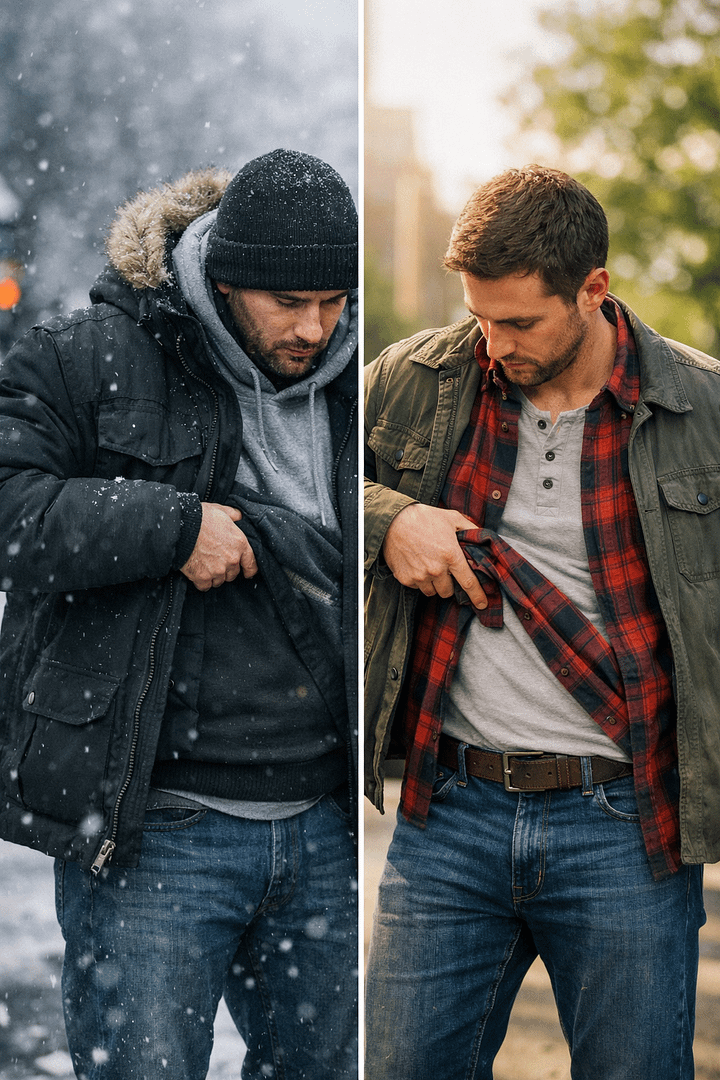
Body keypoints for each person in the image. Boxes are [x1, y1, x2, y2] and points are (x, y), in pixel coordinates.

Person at [0, 148, 358, 1080]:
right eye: (290, 302)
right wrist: (170, 526)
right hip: (153, 828)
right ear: (224, 280)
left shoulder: (364, 386)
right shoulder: (86, 356)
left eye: (335, 301)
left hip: (328, 829)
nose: (315, 328)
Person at [364, 165, 720, 1079]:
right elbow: (302, 474)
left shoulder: (704, 408)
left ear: (593, 289)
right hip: (448, 815)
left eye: (520, 322)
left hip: (625, 823)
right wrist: (390, 519)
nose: (496, 343)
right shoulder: (417, 379)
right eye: (481, 317)